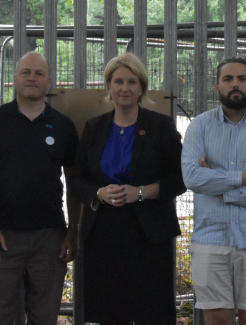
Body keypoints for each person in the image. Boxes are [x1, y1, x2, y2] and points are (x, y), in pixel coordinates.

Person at [71, 52, 186, 325]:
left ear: (142, 88)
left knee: (152, 313)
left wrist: (143, 192)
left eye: (132, 82)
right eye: (118, 81)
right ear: (108, 87)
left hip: (150, 235)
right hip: (103, 233)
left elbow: (180, 178)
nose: (125, 88)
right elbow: (77, 179)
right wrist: (98, 194)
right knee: (110, 313)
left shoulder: (160, 126)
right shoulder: (94, 127)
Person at [0, 51, 80, 325]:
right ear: (14, 80)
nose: (32, 78)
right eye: (26, 72)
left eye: (39, 73)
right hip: (2, 237)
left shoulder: (63, 126)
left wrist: (72, 232)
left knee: (44, 316)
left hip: (50, 238)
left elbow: (74, 181)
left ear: (48, 83)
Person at [181, 57, 246, 325]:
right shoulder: (200, 127)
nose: (235, 84)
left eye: (242, 78)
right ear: (217, 85)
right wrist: (245, 177)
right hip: (210, 239)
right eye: (228, 79)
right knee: (216, 319)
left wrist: (219, 188)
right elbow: (192, 177)